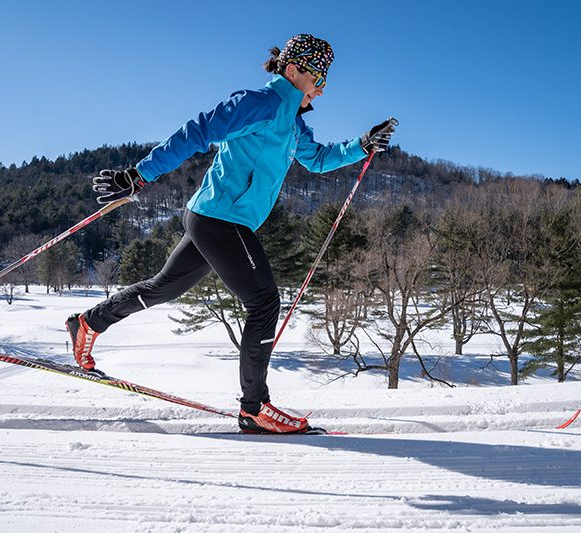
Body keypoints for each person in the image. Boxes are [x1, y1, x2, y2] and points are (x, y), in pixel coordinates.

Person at [66, 34, 397, 434]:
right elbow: (198, 130)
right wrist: (140, 174)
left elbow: (319, 160)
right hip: (222, 219)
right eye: (318, 79)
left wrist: (363, 145)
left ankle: (88, 323)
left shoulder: (292, 124)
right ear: (293, 70)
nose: (321, 89)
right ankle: (254, 408)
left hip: (215, 218)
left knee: (163, 287)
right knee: (264, 302)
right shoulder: (260, 103)